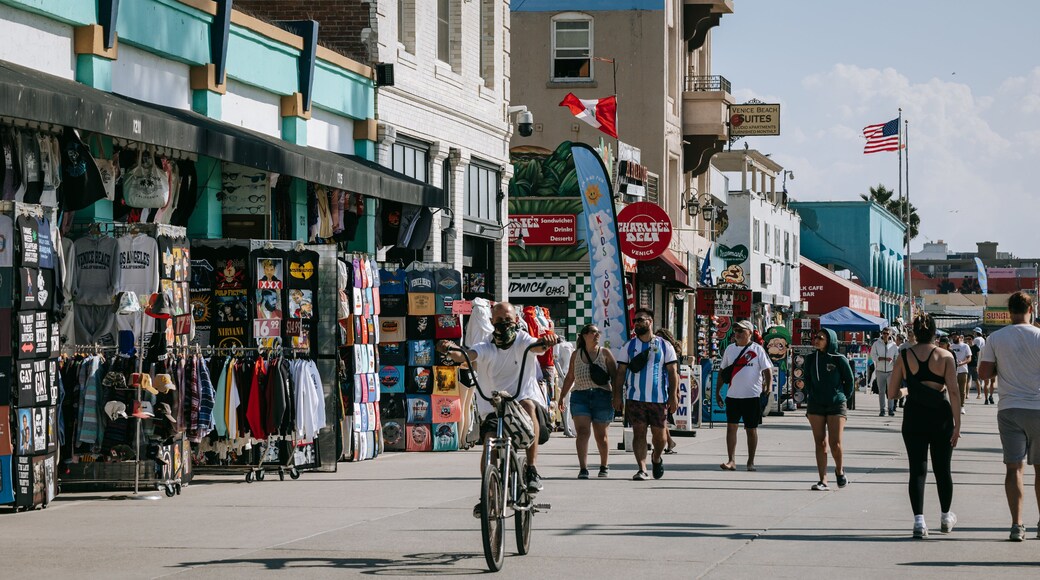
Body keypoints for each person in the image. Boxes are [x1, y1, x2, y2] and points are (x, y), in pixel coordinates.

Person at [437, 302, 558, 516]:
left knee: (528, 405)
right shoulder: (486, 345)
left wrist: (546, 342)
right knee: (489, 445)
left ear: (516, 321)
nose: (504, 325)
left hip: (521, 400)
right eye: (499, 321)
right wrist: (452, 350)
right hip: (494, 406)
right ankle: (487, 495)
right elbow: (468, 356)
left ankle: (531, 469)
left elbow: (538, 347)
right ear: (492, 322)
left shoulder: (522, 340)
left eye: (508, 321)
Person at [887, 313, 960, 539]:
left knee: (917, 469)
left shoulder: (904, 355)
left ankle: (919, 521)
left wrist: (910, 389)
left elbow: (891, 393)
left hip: (914, 416)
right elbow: (954, 391)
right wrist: (958, 424)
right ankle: (946, 516)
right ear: (935, 333)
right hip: (941, 416)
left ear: (915, 333)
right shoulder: (946, 356)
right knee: (942, 468)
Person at [978, 291, 1040, 542]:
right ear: (1031, 310)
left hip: (1009, 408)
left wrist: (1001, 367)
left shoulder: (996, 338)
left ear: (1009, 312)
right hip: (1038, 407)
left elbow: (983, 374)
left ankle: (1017, 524)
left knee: (1014, 467)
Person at [613, 308, 678, 481]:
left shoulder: (665, 345)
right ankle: (642, 469)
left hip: (659, 399)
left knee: (660, 437)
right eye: (635, 321)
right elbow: (620, 372)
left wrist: (673, 396)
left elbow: (673, 372)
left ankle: (656, 457)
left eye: (640, 320)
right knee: (639, 433)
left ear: (650, 321)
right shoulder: (629, 346)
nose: (637, 324)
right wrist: (617, 396)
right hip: (635, 398)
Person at [560, 324, 617, 479]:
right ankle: (583, 468)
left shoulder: (604, 353)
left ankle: (604, 465)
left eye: (598, 332)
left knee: (601, 435)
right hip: (580, 396)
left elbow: (616, 376)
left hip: (602, 396)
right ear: (584, 335)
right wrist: (562, 396)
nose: (597, 335)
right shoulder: (575, 354)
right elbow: (570, 376)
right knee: (583, 432)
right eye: (593, 332)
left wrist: (618, 397)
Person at [717, 320, 773, 472]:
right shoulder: (730, 349)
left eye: (741, 331)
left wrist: (768, 387)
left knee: (751, 429)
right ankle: (731, 460)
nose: (737, 334)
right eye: (736, 331)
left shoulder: (757, 349)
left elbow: (767, 370)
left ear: (749, 333)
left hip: (752, 396)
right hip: (733, 396)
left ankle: (750, 461)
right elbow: (722, 372)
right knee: (731, 427)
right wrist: (717, 392)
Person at [803, 328, 854, 491]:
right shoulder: (810, 359)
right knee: (820, 442)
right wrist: (811, 396)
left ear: (830, 340)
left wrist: (841, 397)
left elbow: (849, 381)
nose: (817, 340)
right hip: (816, 404)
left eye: (821, 338)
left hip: (836, 404)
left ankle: (839, 471)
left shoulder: (839, 359)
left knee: (835, 443)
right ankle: (823, 480)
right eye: (816, 337)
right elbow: (807, 379)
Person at [655, 328, 683, 454]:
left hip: (667, 387)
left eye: (661, 336)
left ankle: (669, 441)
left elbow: (676, 374)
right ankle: (670, 441)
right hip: (659, 386)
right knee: (661, 417)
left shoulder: (671, 351)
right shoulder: (656, 350)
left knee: (661, 417)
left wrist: (676, 392)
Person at [870, 327, 898, 417]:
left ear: (890, 334)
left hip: (890, 371)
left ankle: (890, 409)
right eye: (884, 333)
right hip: (880, 370)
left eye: (887, 333)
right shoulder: (876, 344)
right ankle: (882, 409)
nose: (885, 335)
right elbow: (873, 355)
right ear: (881, 334)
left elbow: (897, 356)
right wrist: (882, 358)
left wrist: (894, 361)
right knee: (881, 391)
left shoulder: (893, 345)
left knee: (890, 391)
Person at [949, 331, 972, 415]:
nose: (954, 337)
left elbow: (969, 358)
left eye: (955, 336)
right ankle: (954, 406)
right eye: (953, 336)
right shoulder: (950, 346)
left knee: (962, 390)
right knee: (952, 390)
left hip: (963, 370)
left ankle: (962, 406)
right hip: (951, 371)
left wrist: (962, 363)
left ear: (959, 336)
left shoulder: (965, 346)